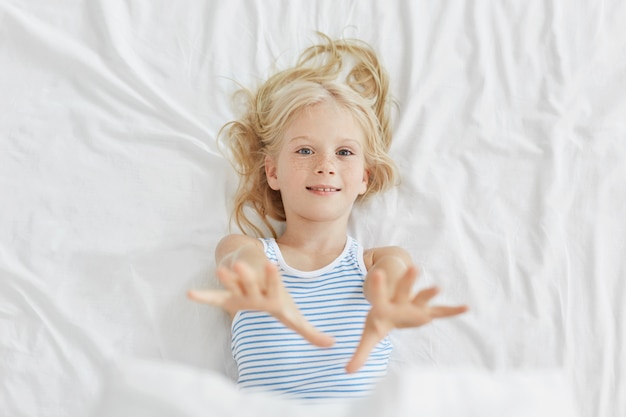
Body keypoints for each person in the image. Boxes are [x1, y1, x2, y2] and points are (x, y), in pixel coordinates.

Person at [188, 34, 468, 402]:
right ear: (273, 172)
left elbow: (389, 280)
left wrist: (389, 302)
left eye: (344, 152)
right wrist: (257, 280)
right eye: (305, 150)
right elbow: (240, 262)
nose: (325, 166)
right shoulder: (245, 249)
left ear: (364, 178)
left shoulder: (377, 261)